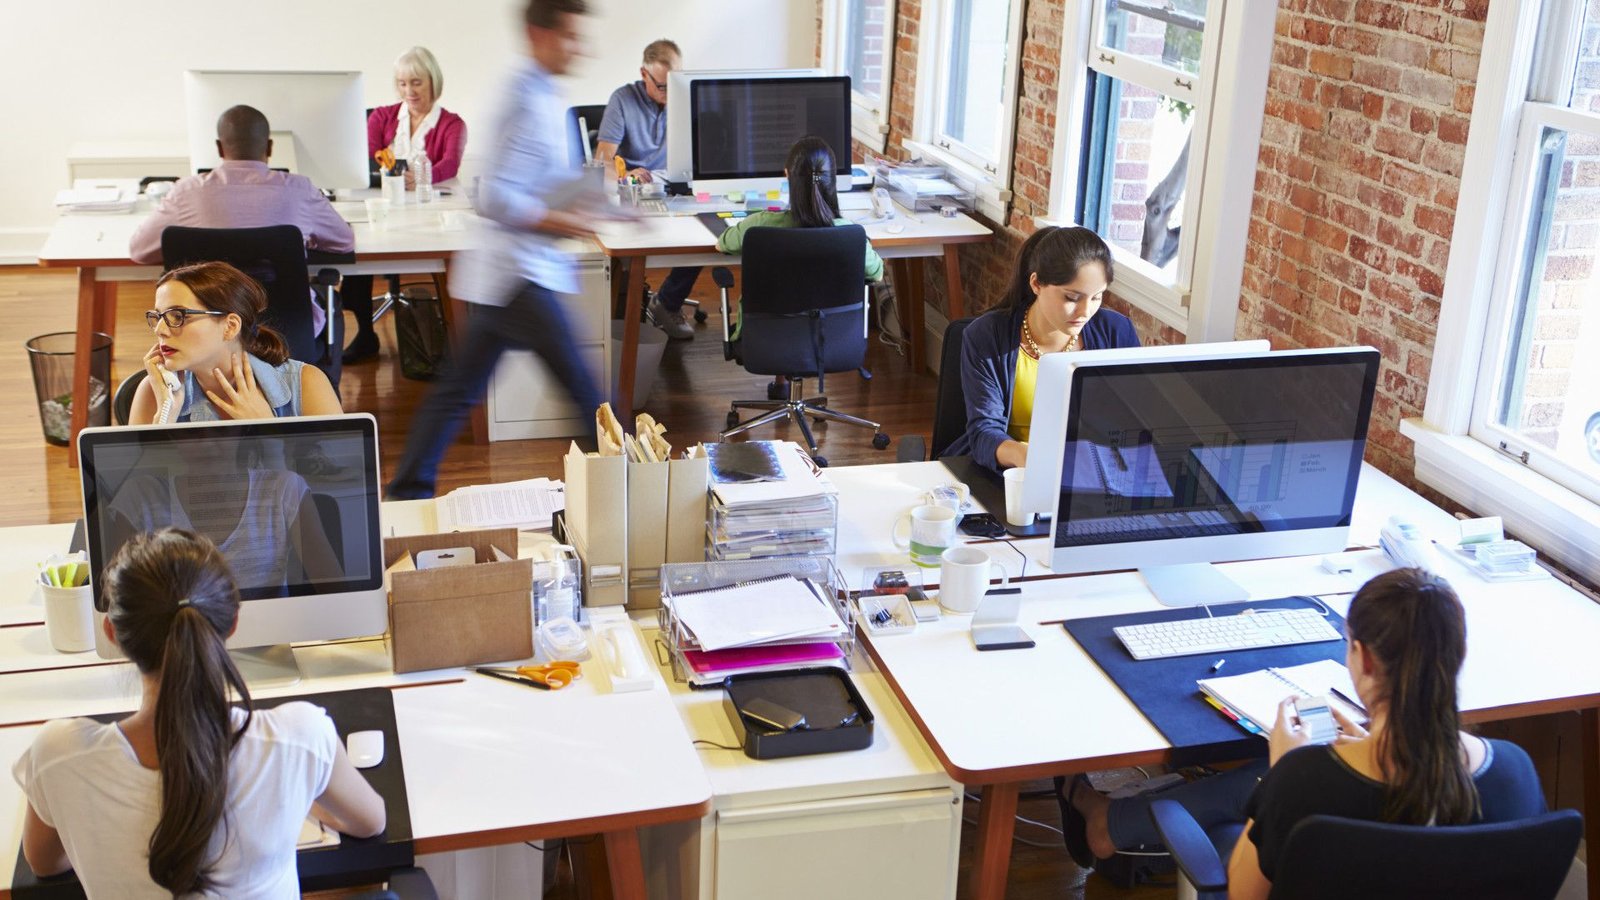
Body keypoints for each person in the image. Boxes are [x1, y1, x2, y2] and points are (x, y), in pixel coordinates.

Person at [1061, 569, 1546, 898]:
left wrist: (1281, 772)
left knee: (1234, 814)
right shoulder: (1516, 772)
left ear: (1364, 659)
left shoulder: (1305, 782)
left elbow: (1246, 895)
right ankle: (1108, 821)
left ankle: (1106, 820)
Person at [12, 528, 384, 898]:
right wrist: (300, 800)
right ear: (233, 622)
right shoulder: (301, 738)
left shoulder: (57, 755)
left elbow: (44, 863)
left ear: (112, 633)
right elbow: (370, 822)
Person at [386, 0, 604, 500]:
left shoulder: (549, 96)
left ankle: (406, 491)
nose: (580, 47)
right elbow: (490, 192)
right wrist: (563, 220)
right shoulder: (519, 98)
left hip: (513, 273)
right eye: (570, 36)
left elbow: (545, 180)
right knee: (587, 393)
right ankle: (632, 490)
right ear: (537, 33)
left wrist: (602, 206)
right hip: (516, 272)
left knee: (458, 391)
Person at [129, 105, 355, 340]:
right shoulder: (299, 190)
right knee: (329, 299)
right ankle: (317, 376)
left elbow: (140, 251)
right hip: (285, 331)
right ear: (269, 147)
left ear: (219, 147)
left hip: (206, 331)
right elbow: (344, 242)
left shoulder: (187, 191)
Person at [945, 225, 1138, 472]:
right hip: (1011, 474)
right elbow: (983, 433)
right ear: (1036, 284)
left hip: (1091, 472)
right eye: (1072, 298)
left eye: (1097, 297)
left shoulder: (1117, 331)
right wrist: (1026, 456)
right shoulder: (987, 336)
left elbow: (1133, 419)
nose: (1085, 312)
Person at [344, 47, 468, 364]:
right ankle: (363, 335)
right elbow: (367, 159)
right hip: (384, 205)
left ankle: (447, 340)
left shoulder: (452, 124)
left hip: (428, 210)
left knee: (448, 257)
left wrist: (422, 176)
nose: (409, 91)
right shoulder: (381, 117)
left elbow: (450, 164)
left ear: (432, 82)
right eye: (402, 84)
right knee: (356, 248)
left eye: (416, 83)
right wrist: (400, 174)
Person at [128, 261, 344, 425]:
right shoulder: (154, 392)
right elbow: (133, 483)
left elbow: (340, 480)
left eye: (178, 316)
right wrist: (165, 419)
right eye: (157, 317)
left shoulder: (306, 384)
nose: (160, 329)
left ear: (230, 326)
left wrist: (267, 431)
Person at [594, 39, 702, 341]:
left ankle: (667, 304)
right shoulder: (622, 100)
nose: (669, 94)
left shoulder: (686, 98)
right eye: (662, 86)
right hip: (634, 191)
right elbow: (602, 159)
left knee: (708, 231)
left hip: (674, 188)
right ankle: (620, 319)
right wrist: (625, 173)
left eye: (676, 83)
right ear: (644, 74)